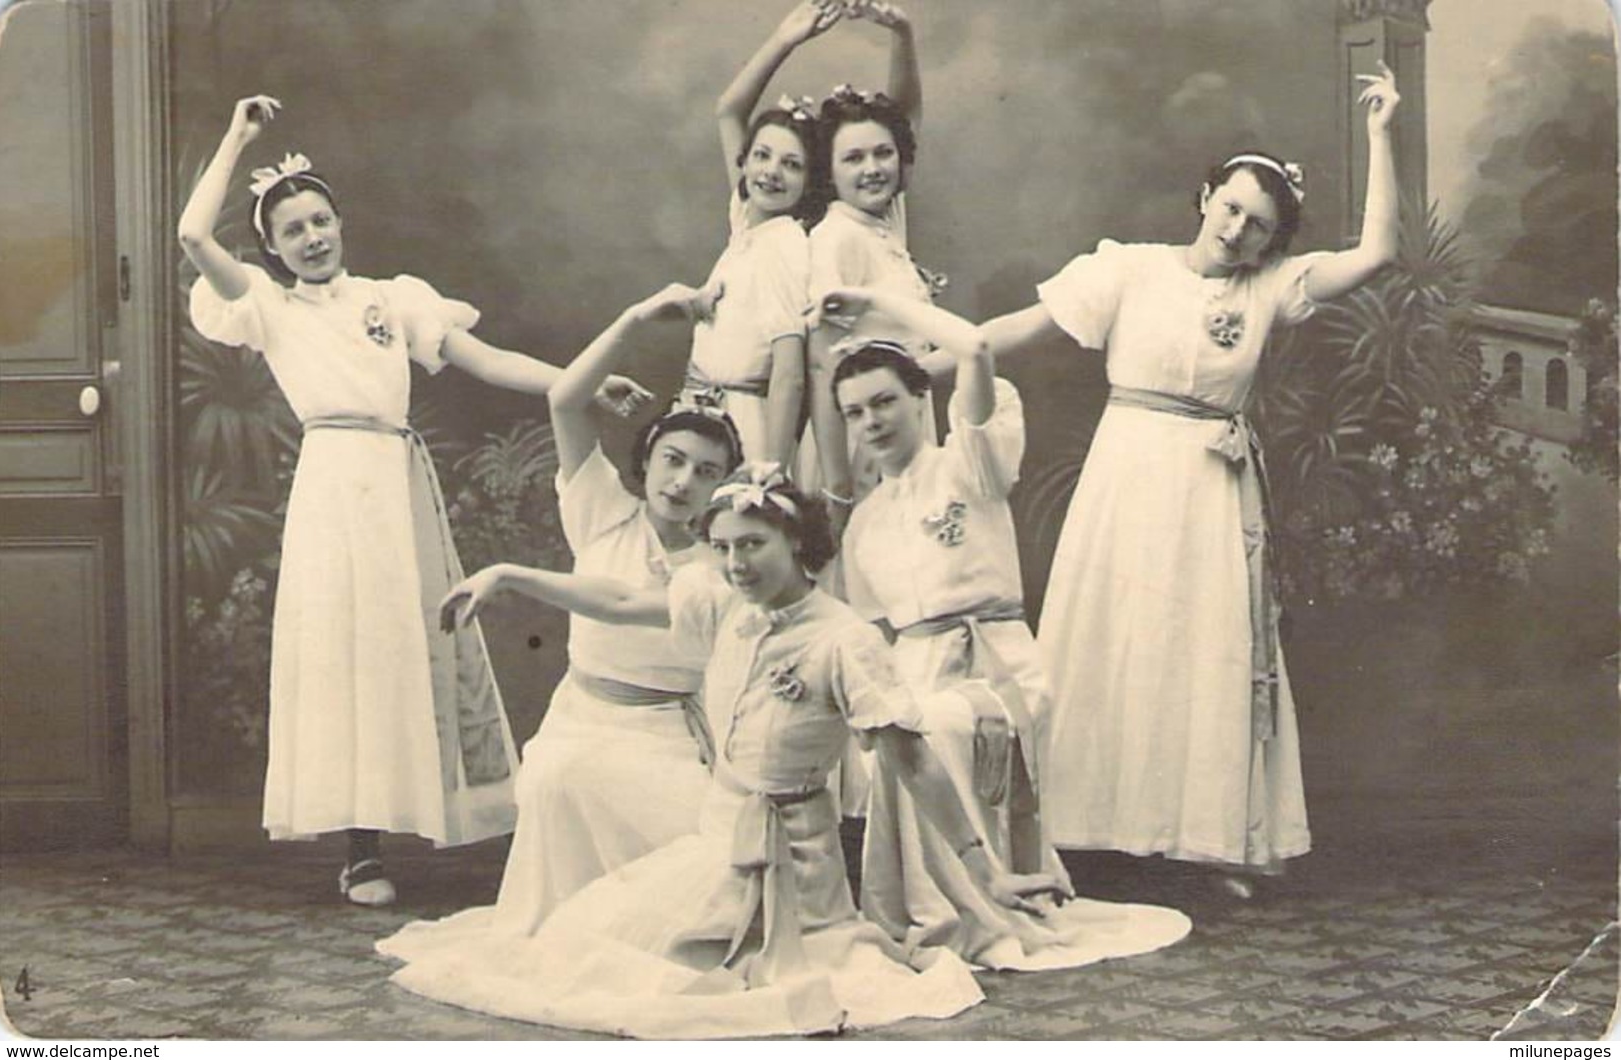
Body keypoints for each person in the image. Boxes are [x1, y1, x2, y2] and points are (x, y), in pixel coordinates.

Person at [381, 466, 1063, 1038]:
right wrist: (506, 574)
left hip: (799, 869)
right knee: (580, 951)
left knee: (781, 989)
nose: (736, 563)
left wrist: (985, 871)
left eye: (754, 544)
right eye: (724, 546)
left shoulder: (843, 639)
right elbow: (617, 599)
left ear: (796, 542)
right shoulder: (725, 604)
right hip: (716, 843)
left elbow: (909, 760)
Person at [177, 95, 648, 906]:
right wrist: (236, 138)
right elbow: (191, 236)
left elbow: (490, 360)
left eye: (320, 220)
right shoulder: (268, 307)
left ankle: (416, 821)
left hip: (396, 483)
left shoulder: (394, 299)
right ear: (271, 249)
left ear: (339, 221)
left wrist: (589, 382)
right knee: (345, 649)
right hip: (331, 485)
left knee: (405, 642)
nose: (312, 237)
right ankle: (359, 851)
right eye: (292, 231)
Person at [978, 63, 1403, 891]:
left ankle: (1209, 836)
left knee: (1202, 650)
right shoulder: (1127, 268)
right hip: (1124, 476)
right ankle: (1076, 830)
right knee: (1109, 642)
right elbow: (1021, 330)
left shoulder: (1270, 287)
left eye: (1258, 227)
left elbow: (1378, 252)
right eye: (1230, 208)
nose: (1237, 231)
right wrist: (926, 351)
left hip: (1210, 488)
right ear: (1204, 195)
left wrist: (1379, 134)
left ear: (1272, 244)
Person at [820, 288, 1192, 969]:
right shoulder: (866, 523)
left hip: (998, 667)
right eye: (853, 412)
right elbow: (873, 635)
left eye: (884, 401)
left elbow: (975, 348)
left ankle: (988, 906)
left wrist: (878, 300)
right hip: (916, 669)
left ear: (920, 399)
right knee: (900, 735)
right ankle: (931, 913)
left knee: (924, 731)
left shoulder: (968, 465)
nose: (870, 421)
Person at [394, 283, 743, 942]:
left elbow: (620, 605)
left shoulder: (722, 564)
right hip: (581, 725)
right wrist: (634, 316)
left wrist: (509, 574)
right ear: (646, 461)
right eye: (673, 460)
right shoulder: (603, 512)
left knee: (718, 881)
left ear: (721, 484)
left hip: (667, 737)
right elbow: (565, 399)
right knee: (557, 779)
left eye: (705, 472)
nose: (683, 482)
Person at [676, 0, 840, 465]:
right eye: (763, 156)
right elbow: (729, 111)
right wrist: (786, 39)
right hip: (701, 406)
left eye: (792, 165)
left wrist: (769, 469)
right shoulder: (747, 221)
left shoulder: (787, 243)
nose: (771, 172)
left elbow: (789, 371)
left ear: (809, 183)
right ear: (743, 163)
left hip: (745, 421)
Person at [799, 0, 942, 508]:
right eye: (853, 158)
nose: (873, 168)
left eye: (882, 154)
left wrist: (901, 34)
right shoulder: (837, 237)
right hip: (863, 442)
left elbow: (907, 120)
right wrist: (836, 486)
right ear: (830, 173)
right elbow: (821, 366)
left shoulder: (884, 221)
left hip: (908, 421)